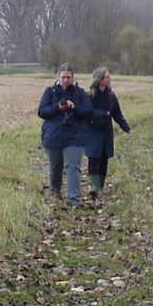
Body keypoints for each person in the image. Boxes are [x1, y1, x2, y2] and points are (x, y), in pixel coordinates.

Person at [37, 65, 93, 205]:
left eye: (68, 77)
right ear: (58, 77)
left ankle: (73, 200)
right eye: (63, 77)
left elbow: (89, 112)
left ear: (73, 78)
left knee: (73, 167)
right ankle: (54, 195)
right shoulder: (50, 92)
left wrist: (75, 107)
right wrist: (57, 107)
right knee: (55, 168)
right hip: (53, 136)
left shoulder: (80, 93)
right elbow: (42, 112)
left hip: (75, 137)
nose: (66, 80)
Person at [82, 68, 130, 201]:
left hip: (106, 131)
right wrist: (103, 113)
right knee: (93, 157)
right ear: (100, 79)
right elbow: (87, 113)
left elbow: (117, 113)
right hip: (92, 130)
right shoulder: (89, 95)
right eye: (107, 77)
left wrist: (126, 127)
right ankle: (93, 187)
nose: (109, 79)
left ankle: (100, 187)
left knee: (104, 158)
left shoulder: (111, 96)